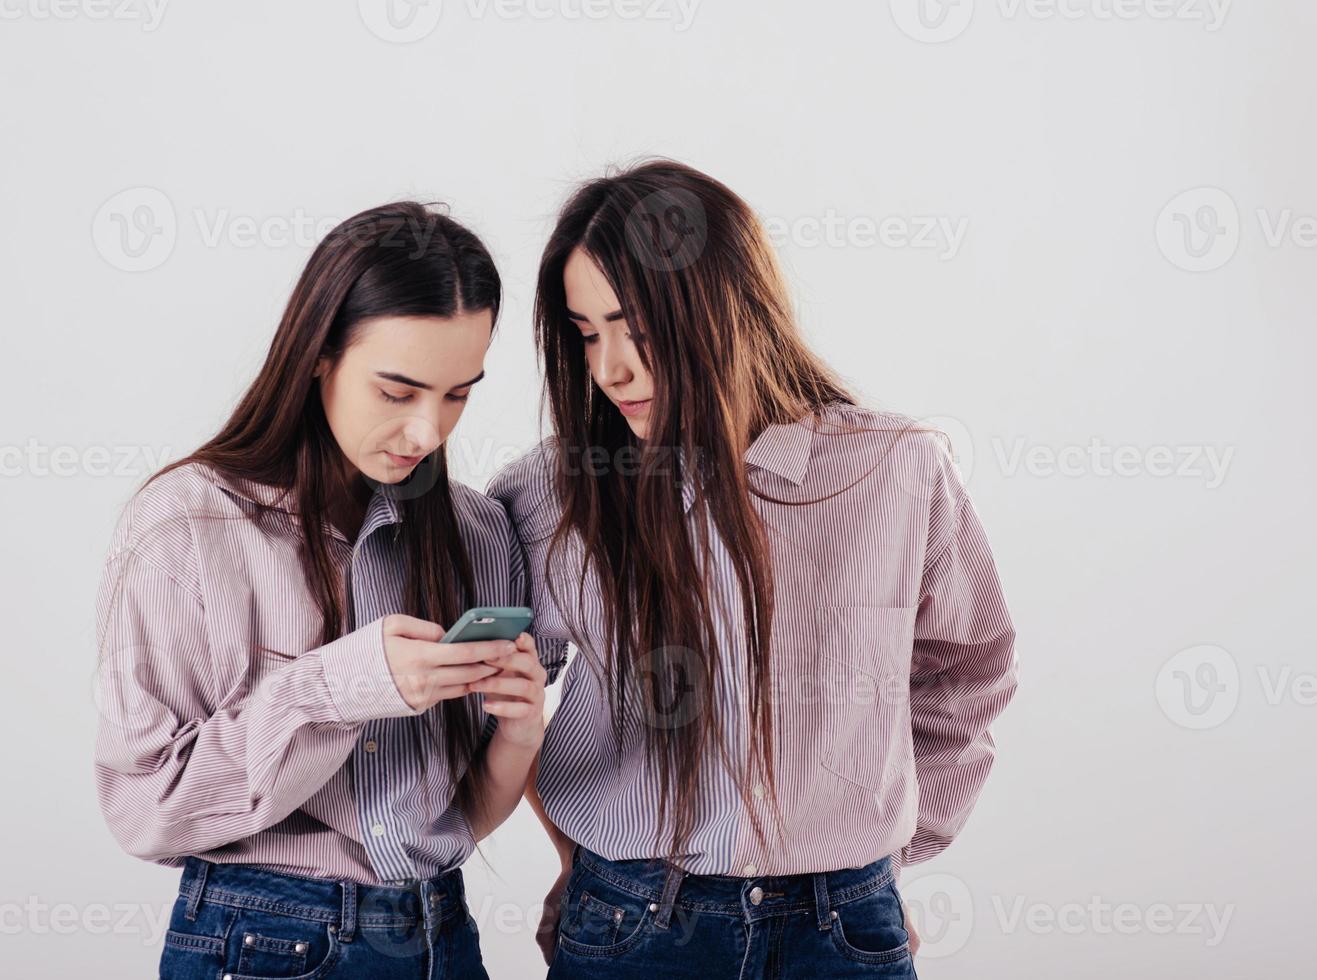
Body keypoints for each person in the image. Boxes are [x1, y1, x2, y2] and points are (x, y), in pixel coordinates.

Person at [488, 160, 1019, 977]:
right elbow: (492, 699)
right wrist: (582, 862)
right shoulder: (552, 491)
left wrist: (882, 858)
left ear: (724, 307)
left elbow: (967, 670)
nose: (609, 368)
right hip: (630, 924)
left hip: (843, 928)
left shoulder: (895, 471)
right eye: (587, 332)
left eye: (635, 327)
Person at [93, 202, 559, 979]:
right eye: (397, 391)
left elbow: (453, 820)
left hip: (441, 934)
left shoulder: (475, 533)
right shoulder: (185, 524)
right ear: (318, 356)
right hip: (264, 942)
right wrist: (339, 686)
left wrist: (518, 734)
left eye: (457, 394)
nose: (426, 433)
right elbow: (147, 813)